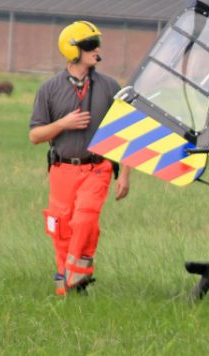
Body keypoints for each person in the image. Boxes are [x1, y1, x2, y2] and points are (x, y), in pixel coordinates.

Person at [29, 20, 130, 296]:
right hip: (62, 170)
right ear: (72, 50)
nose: (96, 50)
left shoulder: (110, 87)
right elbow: (35, 135)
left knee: (85, 220)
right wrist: (64, 124)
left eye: (97, 44)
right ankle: (68, 290)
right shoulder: (48, 90)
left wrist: (126, 176)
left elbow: (126, 133)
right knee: (61, 230)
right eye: (89, 45)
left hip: (98, 168)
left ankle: (78, 274)